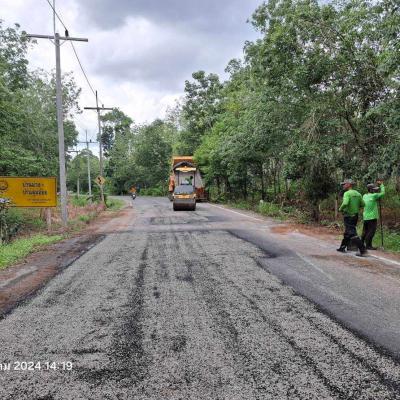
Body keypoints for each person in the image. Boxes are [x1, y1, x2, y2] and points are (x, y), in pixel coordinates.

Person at [337, 179, 367, 256]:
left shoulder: (347, 193)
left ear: (348, 185)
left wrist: (340, 209)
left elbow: (345, 203)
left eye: (344, 184)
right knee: (348, 231)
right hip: (355, 216)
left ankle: (363, 250)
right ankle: (342, 247)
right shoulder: (358, 194)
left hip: (348, 216)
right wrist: (355, 207)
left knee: (352, 232)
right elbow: (363, 204)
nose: (343, 186)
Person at [361, 180, 385, 250]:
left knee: (365, 231)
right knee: (371, 231)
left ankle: (361, 243)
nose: (375, 190)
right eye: (374, 189)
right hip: (372, 217)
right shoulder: (374, 195)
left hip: (365, 217)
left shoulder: (364, 196)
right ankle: (368, 245)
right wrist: (382, 185)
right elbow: (383, 193)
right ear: (371, 190)